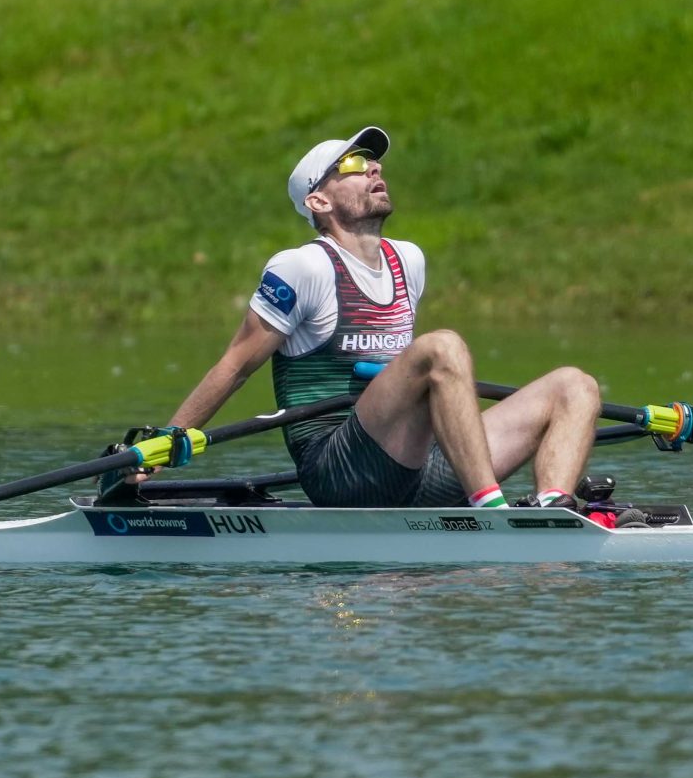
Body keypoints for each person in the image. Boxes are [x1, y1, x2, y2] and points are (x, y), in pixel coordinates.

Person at [144, 126, 602, 510]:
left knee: (575, 385)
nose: (374, 168)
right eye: (352, 166)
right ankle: (492, 510)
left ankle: (552, 509)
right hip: (340, 471)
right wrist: (163, 446)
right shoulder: (302, 268)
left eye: (374, 162)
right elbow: (235, 366)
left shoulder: (409, 260)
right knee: (441, 348)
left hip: (415, 466)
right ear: (318, 202)